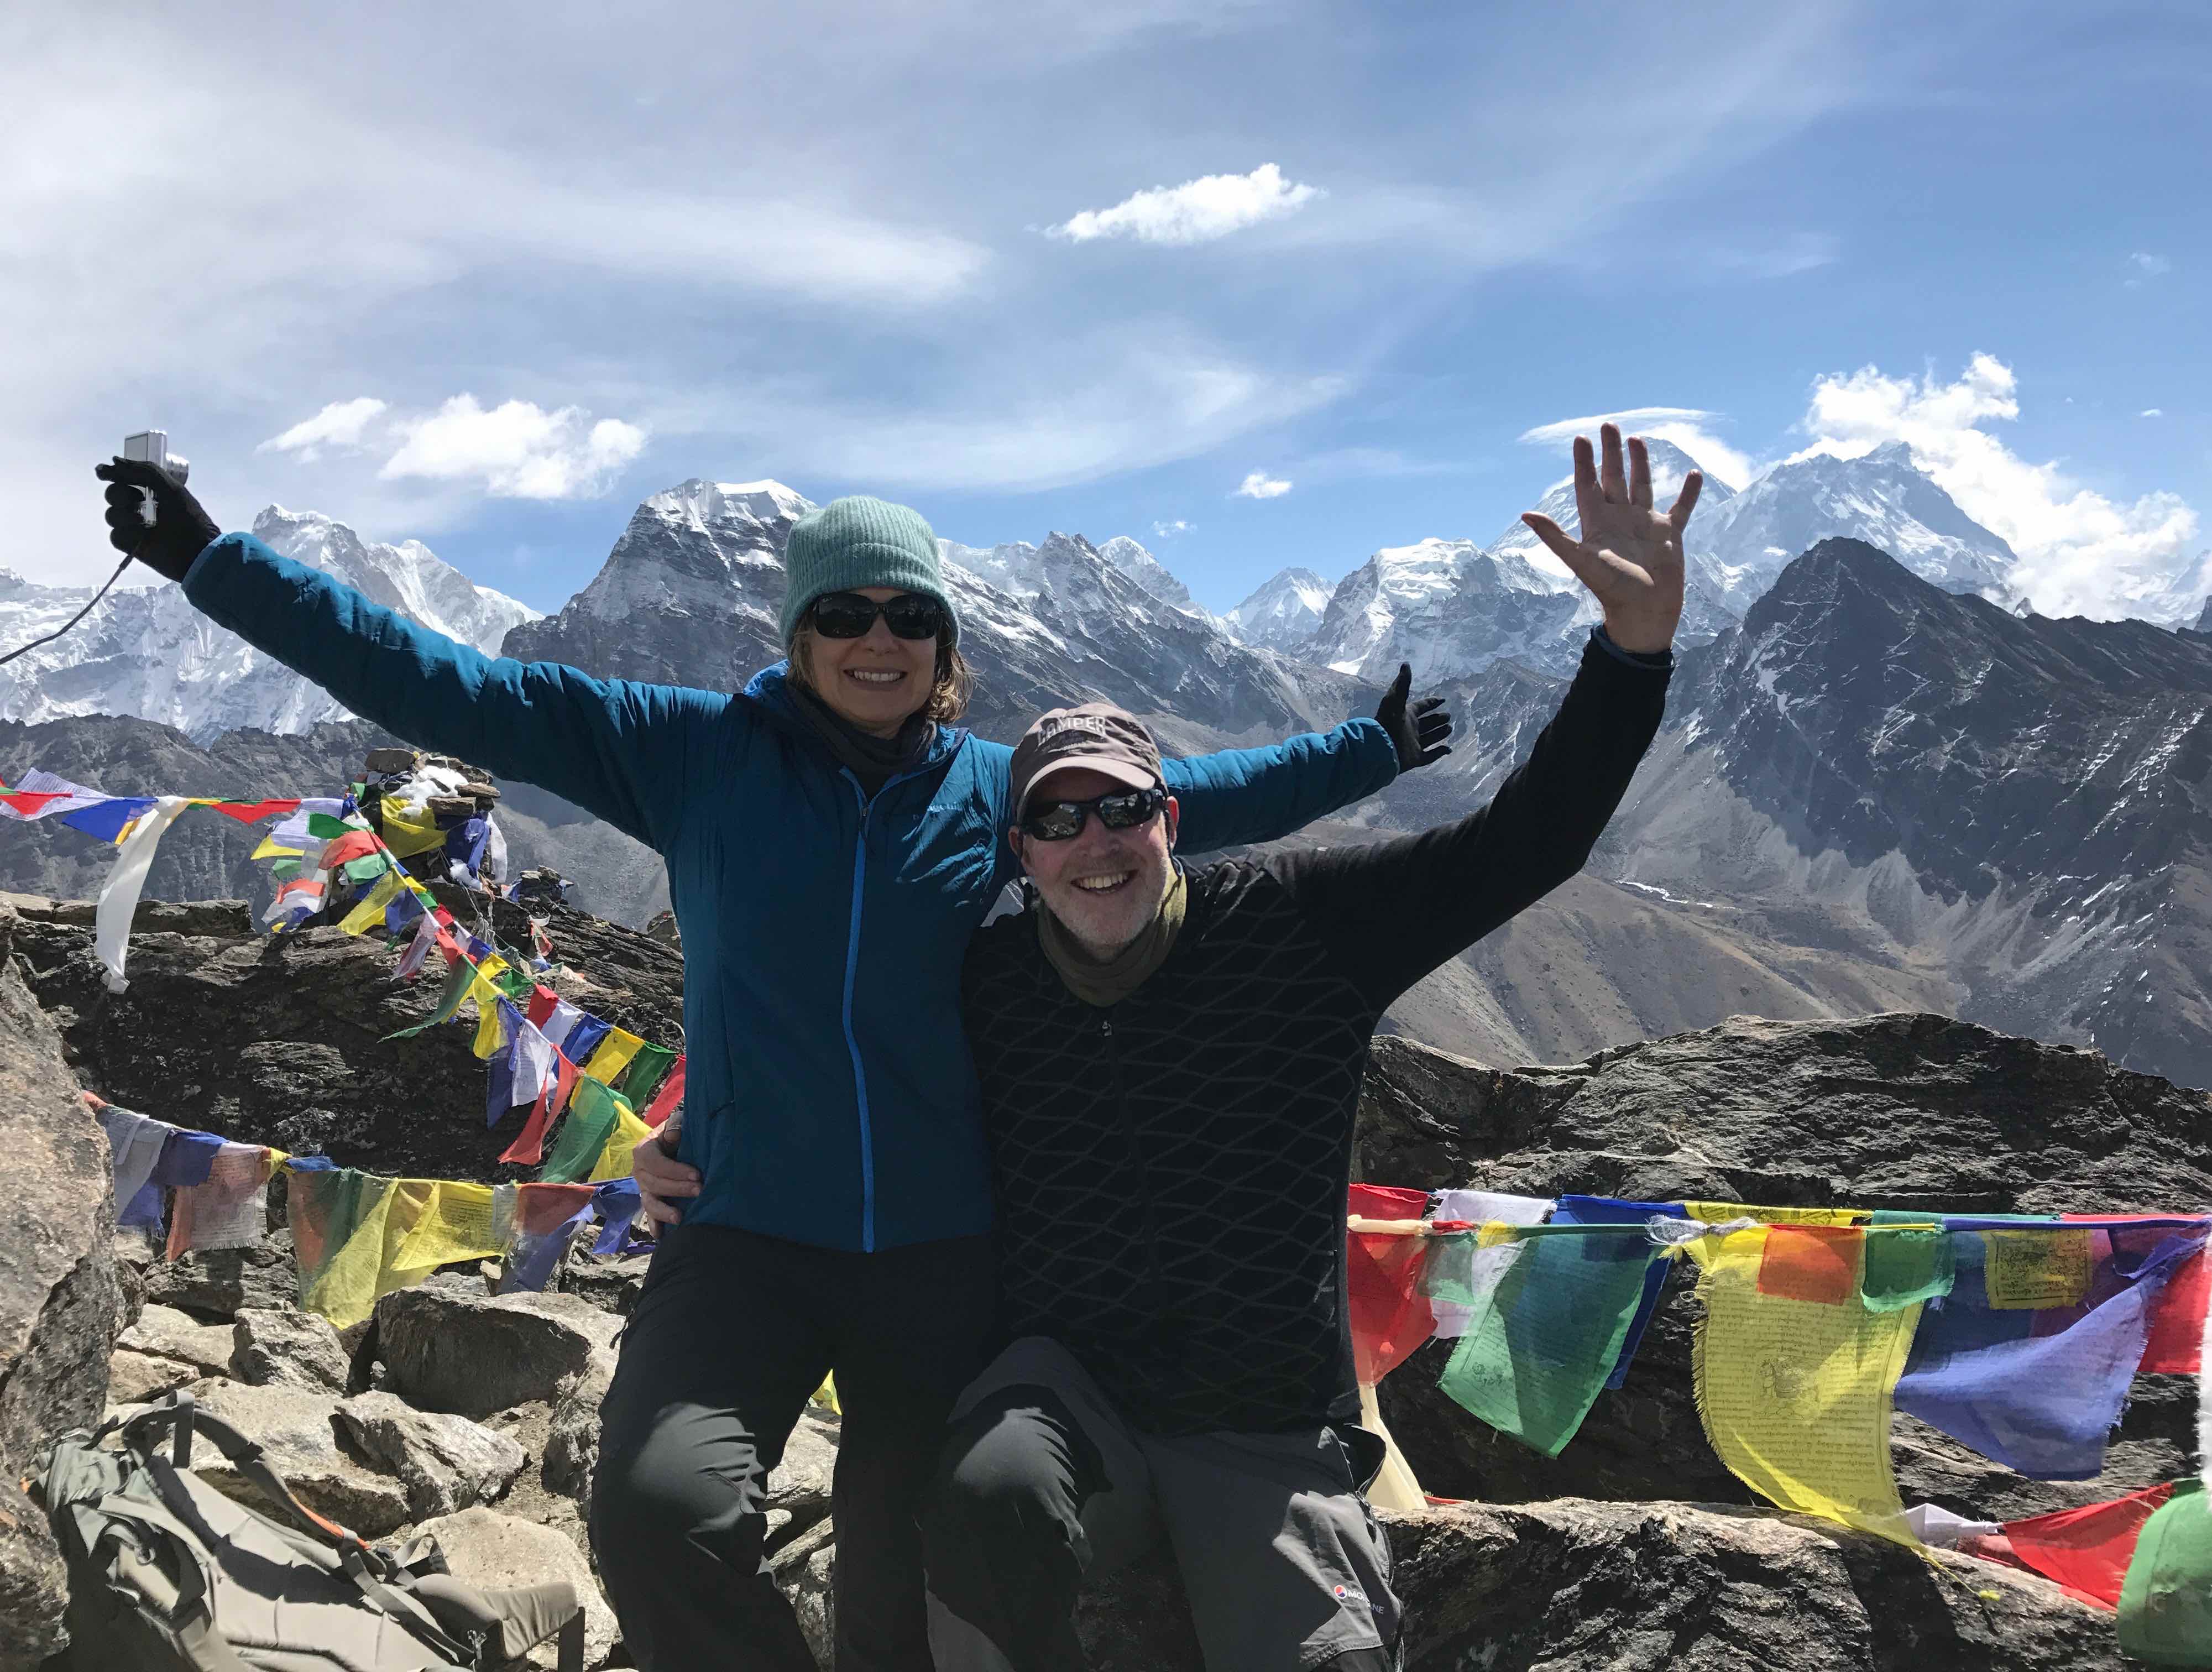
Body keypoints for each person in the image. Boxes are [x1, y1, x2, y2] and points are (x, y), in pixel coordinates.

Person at [93, 458, 1454, 1671]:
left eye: (910, 617)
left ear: (945, 643)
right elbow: (447, 682)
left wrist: (1371, 750)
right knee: (652, 1516)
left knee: (901, 1571)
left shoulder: (995, 792)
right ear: (798, 634)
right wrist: (217, 561)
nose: (879, 640)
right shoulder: (691, 757)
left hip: (943, 1244)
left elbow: (1194, 800)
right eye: (846, 615)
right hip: (739, 1226)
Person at [880, 425, 1691, 1669]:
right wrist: (694, 1138)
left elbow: (1524, 845)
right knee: (985, 1498)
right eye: (1056, 820)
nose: (1096, 842)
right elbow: (828, 1036)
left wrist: (1632, 656)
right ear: (1021, 855)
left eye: (1123, 808)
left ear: (1170, 819)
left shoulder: (1301, 926)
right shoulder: (982, 978)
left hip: (1260, 1417)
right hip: (1061, 1391)